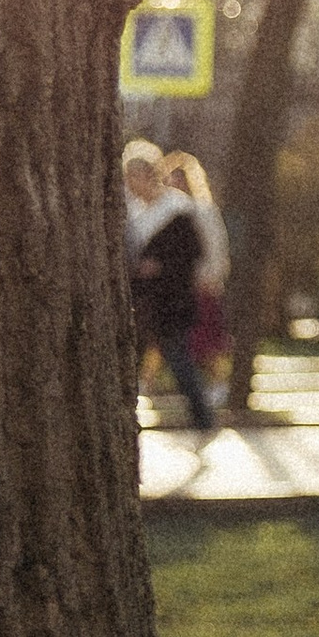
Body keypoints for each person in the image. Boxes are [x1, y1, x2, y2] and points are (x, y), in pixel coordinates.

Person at [124, 140, 217, 431]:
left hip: (171, 298)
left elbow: (191, 253)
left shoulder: (177, 209)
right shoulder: (136, 212)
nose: (130, 185)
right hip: (143, 298)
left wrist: (160, 267)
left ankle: (203, 416)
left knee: (177, 357)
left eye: (134, 177)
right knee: (137, 358)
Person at [163, 149, 232, 386]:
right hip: (178, 286)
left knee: (206, 340)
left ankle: (217, 383)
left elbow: (215, 247)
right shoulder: (170, 212)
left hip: (201, 283)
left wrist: (211, 276)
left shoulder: (202, 210)